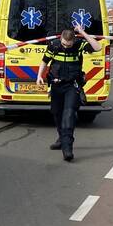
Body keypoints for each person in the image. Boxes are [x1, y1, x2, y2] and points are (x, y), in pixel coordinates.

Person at [37, 24, 102, 162]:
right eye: (64, 44)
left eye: (68, 44)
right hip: (56, 85)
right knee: (56, 112)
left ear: (73, 41)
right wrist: (39, 76)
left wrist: (82, 32)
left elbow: (98, 47)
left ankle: (67, 149)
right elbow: (44, 61)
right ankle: (61, 138)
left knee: (69, 114)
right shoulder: (54, 45)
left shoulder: (79, 45)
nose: (66, 47)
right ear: (60, 39)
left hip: (72, 85)